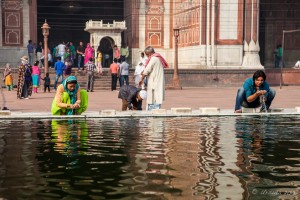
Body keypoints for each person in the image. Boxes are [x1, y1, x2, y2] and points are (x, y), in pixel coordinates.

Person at [139, 46, 168, 110]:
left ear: (150, 53)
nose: (147, 56)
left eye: (147, 55)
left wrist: (141, 79)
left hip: (155, 80)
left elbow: (147, 70)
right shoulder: (158, 58)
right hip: (156, 80)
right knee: (156, 96)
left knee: (153, 97)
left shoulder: (153, 58)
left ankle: (153, 111)